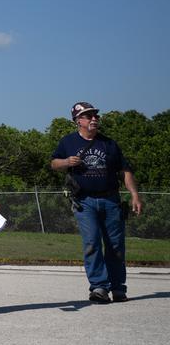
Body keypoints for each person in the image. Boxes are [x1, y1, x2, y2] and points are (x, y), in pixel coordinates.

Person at [50, 101, 144, 304]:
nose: (94, 119)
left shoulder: (109, 144)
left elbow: (125, 171)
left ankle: (118, 288)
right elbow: (54, 163)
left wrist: (135, 195)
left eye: (95, 116)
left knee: (116, 246)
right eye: (88, 116)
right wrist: (66, 162)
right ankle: (99, 287)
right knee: (92, 242)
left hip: (111, 200)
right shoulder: (68, 142)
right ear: (77, 121)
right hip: (85, 202)